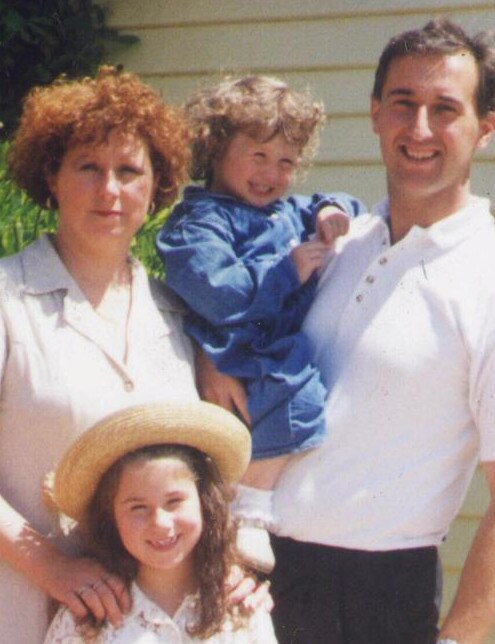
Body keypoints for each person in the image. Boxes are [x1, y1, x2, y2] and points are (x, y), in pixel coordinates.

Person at [199, 18, 495, 644]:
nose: (419, 129)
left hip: (374, 601)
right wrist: (214, 360)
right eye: (403, 104)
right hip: (245, 570)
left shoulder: (485, 274)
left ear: (485, 127)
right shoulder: (335, 241)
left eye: (444, 109)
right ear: (374, 114)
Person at [0, 66, 199, 643]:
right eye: (88, 167)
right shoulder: (8, 300)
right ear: (52, 177)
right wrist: (49, 566)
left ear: (155, 187)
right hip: (18, 605)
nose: (109, 189)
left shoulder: (174, 311)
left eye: (129, 170)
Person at [156, 75, 364, 573]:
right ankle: (247, 510)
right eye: (259, 156)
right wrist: (285, 271)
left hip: (268, 348)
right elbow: (217, 291)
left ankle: (243, 504)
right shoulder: (200, 221)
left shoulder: (282, 212)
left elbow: (344, 206)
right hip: (235, 346)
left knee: (297, 395)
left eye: (287, 161)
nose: (272, 174)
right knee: (291, 395)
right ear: (215, 147)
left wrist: (332, 210)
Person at [43, 400, 277, 643]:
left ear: (205, 502)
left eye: (174, 501)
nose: (160, 523)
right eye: (138, 508)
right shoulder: (87, 619)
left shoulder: (240, 605)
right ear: (111, 517)